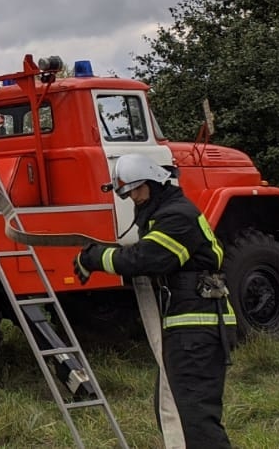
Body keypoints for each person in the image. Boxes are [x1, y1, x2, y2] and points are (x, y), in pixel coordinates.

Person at [76, 156, 235, 449]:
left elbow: (146, 259)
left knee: (194, 422)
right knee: (172, 412)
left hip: (197, 329)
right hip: (186, 328)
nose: (134, 197)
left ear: (155, 182)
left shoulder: (177, 217)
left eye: (138, 189)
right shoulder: (165, 215)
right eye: (127, 193)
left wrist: (95, 258)